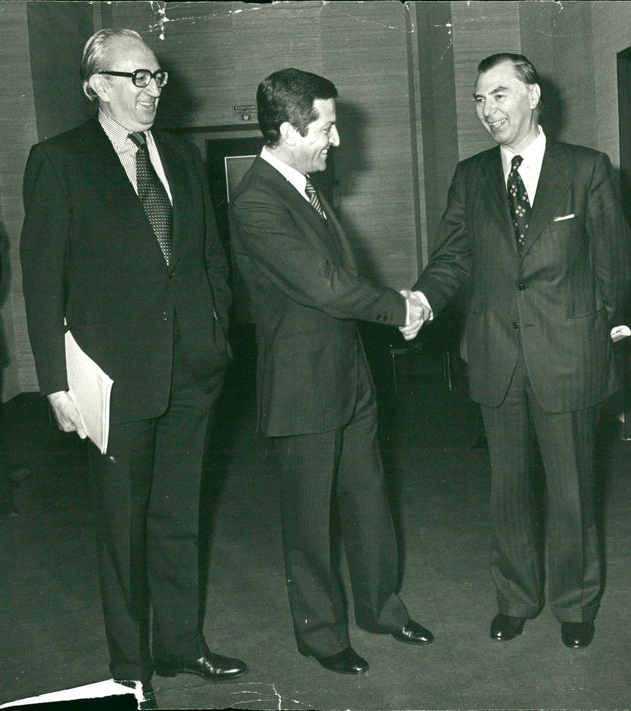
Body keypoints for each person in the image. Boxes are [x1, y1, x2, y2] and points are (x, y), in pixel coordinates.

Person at [19, 28, 247, 701]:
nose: (151, 90)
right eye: (136, 78)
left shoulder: (179, 153)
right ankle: (131, 669)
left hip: (192, 371)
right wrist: (55, 384)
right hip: (113, 381)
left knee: (179, 516)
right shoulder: (58, 160)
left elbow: (208, 259)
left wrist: (217, 331)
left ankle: (180, 645)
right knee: (122, 528)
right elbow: (42, 282)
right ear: (96, 84)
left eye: (157, 78)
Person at [402, 53, 631, 649]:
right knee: (509, 489)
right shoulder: (471, 175)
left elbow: (615, 268)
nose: (487, 110)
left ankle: (575, 604)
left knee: (574, 488)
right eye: (479, 100)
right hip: (497, 357)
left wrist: (599, 335)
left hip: (570, 355)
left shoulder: (587, 169)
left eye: (498, 95)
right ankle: (515, 598)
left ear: (533, 96)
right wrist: (422, 301)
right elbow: (452, 256)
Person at [228, 67, 433, 675]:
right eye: (327, 126)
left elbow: (339, 278)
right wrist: (400, 306)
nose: (336, 140)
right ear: (290, 130)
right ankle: (321, 635)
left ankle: (382, 609)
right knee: (310, 521)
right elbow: (324, 285)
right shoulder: (257, 200)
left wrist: (390, 300)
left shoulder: (305, 186)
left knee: (369, 501)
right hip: (301, 386)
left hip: (347, 375)